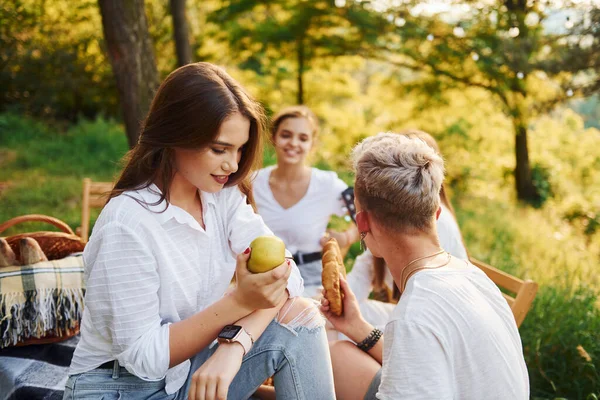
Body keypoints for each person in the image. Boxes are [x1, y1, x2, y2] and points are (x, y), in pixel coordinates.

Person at [64, 62, 336, 400]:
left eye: (239, 150)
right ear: (175, 136)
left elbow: (287, 276)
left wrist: (234, 345)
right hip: (120, 388)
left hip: (189, 373)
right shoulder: (127, 224)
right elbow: (145, 358)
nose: (233, 165)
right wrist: (240, 302)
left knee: (303, 319)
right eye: (219, 149)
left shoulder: (222, 198)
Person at [321, 132, 529, 399]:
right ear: (437, 212)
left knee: (336, 361)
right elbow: (430, 360)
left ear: (362, 225)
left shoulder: (413, 315)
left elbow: (418, 341)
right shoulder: (474, 277)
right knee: (341, 356)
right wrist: (356, 326)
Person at [347, 129, 468, 331]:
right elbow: (363, 270)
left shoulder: (433, 224)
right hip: (412, 316)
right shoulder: (388, 221)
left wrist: (360, 333)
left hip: (437, 322)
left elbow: (427, 318)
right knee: (330, 327)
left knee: (339, 347)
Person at [253, 105, 358, 298]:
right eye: (286, 135)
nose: (293, 143)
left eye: (303, 138)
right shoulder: (253, 183)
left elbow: (366, 216)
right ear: (273, 138)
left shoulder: (326, 184)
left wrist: (347, 237)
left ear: (312, 144)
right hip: (263, 278)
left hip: (313, 280)